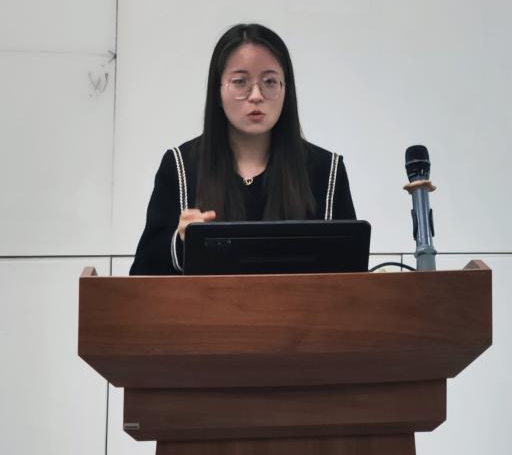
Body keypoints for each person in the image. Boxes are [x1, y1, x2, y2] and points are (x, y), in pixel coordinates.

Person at [130, 23, 355, 275]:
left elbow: (353, 276)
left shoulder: (326, 170)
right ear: (217, 91)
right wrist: (181, 241)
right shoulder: (181, 166)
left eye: (270, 81)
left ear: (286, 89)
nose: (256, 95)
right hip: (205, 303)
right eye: (240, 82)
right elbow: (142, 275)